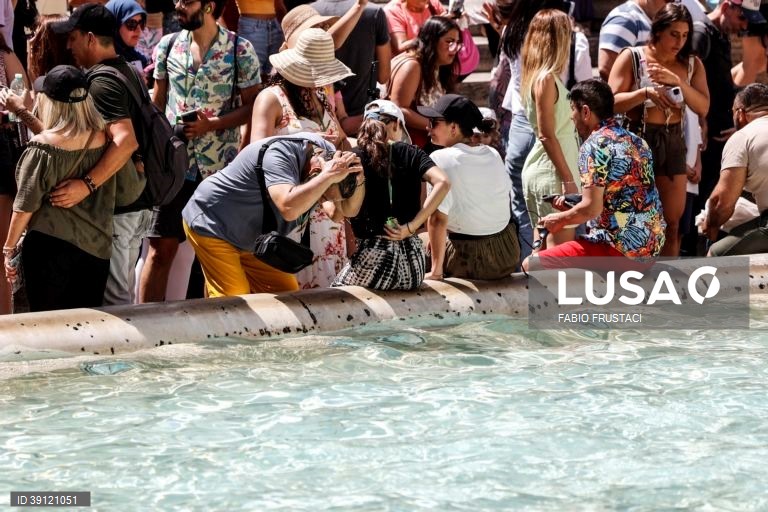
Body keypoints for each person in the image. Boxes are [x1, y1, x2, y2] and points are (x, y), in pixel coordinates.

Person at [138, 0, 261, 304]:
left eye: (187, 1)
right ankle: (145, 326)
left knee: (216, 251)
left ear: (208, 6)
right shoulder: (167, 45)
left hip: (218, 167)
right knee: (159, 248)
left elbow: (253, 106)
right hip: (172, 165)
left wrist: (213, 125)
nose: (178, 5)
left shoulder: (239, 49)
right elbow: (158, 99)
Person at [52, 3, 151, 306]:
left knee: (116, 305)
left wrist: (86, 185)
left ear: (91, 38)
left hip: (122, 208)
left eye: (74, 36)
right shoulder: (128, 71)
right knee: (122, 296)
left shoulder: (102, 82)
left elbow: (125, 141)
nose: (69, 44)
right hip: (138, 202)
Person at [182, 133, 364, 297]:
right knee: (234, 297)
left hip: (253, 237)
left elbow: (339, 213)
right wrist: (327, 177)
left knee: (287, 295)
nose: (322, 200)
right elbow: (288, 208)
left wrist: (360, 180)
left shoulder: (330, 157)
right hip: (214, 221)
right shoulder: (279, 154)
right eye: (323, 194)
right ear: (315, 172)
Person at [3, 66, 123, 311]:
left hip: (49, 251)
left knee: (46, 331)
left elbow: (25, 206)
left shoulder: (41, 149)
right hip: (96, 249)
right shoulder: (105, 140)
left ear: (50, 103)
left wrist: (9, 248)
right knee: (85, 329)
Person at [522, 79, 665, 271]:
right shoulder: (637, 141)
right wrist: (574, 202)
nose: (572, 117)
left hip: (618, 249)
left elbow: (591, 209)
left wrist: (559, 220)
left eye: (573, 109)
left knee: (530, 266)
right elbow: (625, 195)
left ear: (586, 112)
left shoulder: (593, 146)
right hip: (650, 246)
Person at [250, 28, 353, 289]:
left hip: (330, 218)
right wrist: (308, 150)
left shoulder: (321, 99)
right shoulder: (271, 99)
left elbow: (341, 139)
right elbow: (257, 155)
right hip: (291, 213)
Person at [609, 3, 710, 257]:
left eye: (685, 35)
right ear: (658, 31)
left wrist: (677, 83)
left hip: (673, 140)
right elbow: (608, 102)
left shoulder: (690, 65)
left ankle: (666, 285)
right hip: (637, 140)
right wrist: (645, 93)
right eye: (674, 34)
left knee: (672, 223)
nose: (680, 41)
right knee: (635, 223)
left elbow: (703, 107)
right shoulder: (632, 57)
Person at [333, 100, 449, 290]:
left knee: (334, 296)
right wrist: (411, 228)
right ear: (396, 124)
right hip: (414, 265)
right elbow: (443, 182)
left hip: (373, 259)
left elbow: (339, 212)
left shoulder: (353, 157)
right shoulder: (413, 153)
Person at [419, 95, 519, 280]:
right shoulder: (493, 153)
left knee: (416, 242)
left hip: (470, 259)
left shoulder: (440, 159)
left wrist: (436, 272)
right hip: (507, 253)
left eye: (434, 122)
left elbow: (437, 220)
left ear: (454, 127)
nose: (428, 127)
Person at [689, 0, 761, 255]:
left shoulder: (720, 36)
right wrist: (701, 122)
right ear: (728, 6)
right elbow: (689, 80)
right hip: (703, 143)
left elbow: (722, 86)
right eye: (743, 19)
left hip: (722, 140)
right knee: (701, 206)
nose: (744, 27)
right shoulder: (700, 33)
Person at [520, 9, 580, 249]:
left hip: (549, 170)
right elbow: (547, 134)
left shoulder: (541, 77)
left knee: (545, 256)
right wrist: (568, 181)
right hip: (554, 175)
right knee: (557, 260)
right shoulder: (545, 79)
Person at [704, 83, 768, 256]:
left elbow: (721, 201)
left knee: (715, 254)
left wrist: (711, 226)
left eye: (732, 112)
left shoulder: (744, 136)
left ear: (740, 113)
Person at [312, 0, 392, 135]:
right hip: (362, 119)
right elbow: (383, 76)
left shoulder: (309, 12)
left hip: (318, 119)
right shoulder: (374, 12)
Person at [386, 16, 460, 148]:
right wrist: (437, 126)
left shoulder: (437, 66)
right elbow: (398, 109)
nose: (454, 48)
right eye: (449, 41)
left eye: (457, 42)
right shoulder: (412, 66)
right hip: (410, 147)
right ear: (432, 41)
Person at [0, 34, 32, 314]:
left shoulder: (4, 55)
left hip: (2, 149)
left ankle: (4, 324)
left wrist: (11, 102)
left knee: (1, 248)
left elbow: (27, 100)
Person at [598, 0, 676, 80]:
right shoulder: (625, 19)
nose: (672, 4)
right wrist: (641, 90)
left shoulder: (654, 19)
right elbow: (607, 68)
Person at [234, 0, 286, 78]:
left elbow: (279, 4)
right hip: (251, 26)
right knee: (253, 75)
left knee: (275, 74)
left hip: (276, 25)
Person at [106, 0, 149, 82]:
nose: (138, 29)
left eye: (141, 23)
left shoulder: (141, 60)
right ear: (115, 26)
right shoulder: (103, 67)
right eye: (132, 23)